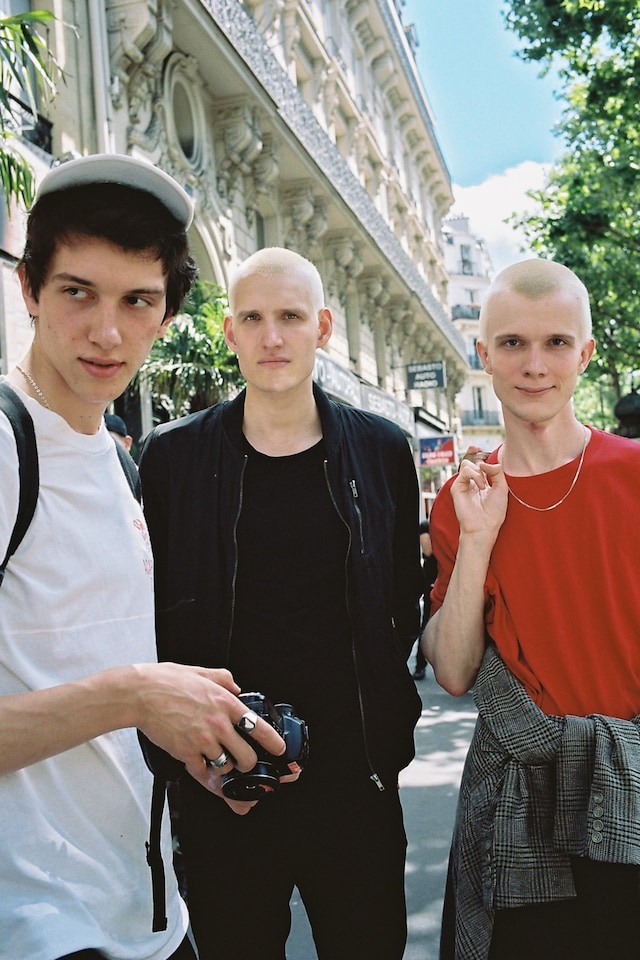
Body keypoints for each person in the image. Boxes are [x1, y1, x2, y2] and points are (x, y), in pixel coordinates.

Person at [0, 154, 289, 960]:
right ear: (28, 288)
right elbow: (110, 693)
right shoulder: (4, 445)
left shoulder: (120, 462)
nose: (107, 331)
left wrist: (195, 744)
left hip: (149, 915)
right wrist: (132, 694)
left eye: (139, 301)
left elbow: (77, 687)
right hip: (36, 927)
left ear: (166, 317)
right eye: (77, 293)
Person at [139, 246, 423, 960]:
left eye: (291, 317)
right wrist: (192, 764)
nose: (273, 337)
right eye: (254, 319)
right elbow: (145, 628)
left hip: (353, 790)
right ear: (229, 332)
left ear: (323, 327)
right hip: (220, 786)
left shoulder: (384, 449)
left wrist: (385, 743)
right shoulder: (170, 459)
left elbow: (398, 604)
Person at [422, 258, 640, 960]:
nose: (535, 365)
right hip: (518, 804)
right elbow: (453, 673)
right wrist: (479, 536)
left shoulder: (633, 474)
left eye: (555, 343)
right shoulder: (462, 501)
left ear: (587, 352)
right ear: (483, 354)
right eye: (513, 343)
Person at [412, 516, 438, 680]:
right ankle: (420, 666)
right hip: (431, 585)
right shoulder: (426, 526)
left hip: (450, 581)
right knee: (426, 626)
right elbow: (428, 550)